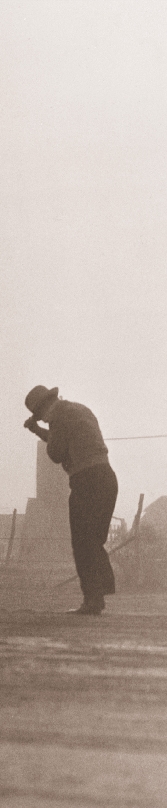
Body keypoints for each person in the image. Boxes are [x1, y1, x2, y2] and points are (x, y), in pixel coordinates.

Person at [24, 385, 118, 615]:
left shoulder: (58, 419)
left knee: (82, 542)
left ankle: (94, 599)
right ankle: (100, 591)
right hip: (106, 477)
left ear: (44, 409)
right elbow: (64, 441)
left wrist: (38, 430)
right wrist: (39, 430)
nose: (44, 421)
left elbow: (56, 453)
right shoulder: (80, 410)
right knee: (94, 540)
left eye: (41, 418)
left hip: (86, 480)